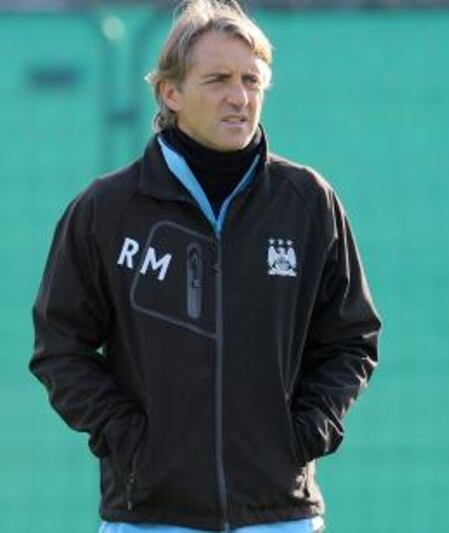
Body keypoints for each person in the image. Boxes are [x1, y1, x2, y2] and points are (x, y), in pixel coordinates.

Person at [29, 1, 381, 532]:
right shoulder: (107, 210)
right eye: (217, 79)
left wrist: (307, 431)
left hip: (277, 514)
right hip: (149, 516)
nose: (239, 97)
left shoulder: (307, 201)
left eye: (251, 80)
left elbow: (352, 339)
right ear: (171, 93)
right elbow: (60, 348)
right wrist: (130, 441)